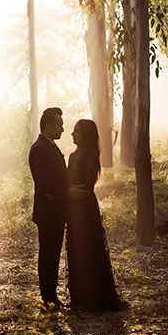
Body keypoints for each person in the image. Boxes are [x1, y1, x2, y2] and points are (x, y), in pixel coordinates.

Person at [65, 119, 128, 312]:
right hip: (72, 208)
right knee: (75, 249)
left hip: (84, 209)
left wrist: (70, 190)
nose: (72, 135)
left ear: (86, 135)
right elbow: (66, 181)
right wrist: (67, 190)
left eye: (76, 132)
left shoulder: (90, 156)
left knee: (88, 249)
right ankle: (79, 297)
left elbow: (86, 186)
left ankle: (93, 297)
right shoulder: (72, 156)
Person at [28, 107, 68, 309]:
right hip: (48, 212)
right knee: (48, 256)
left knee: (52, 255)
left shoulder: (49, 145)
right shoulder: (40, 148)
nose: (62, 128)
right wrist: (67, 192)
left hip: (55, 210)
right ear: (48, 126)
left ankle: (52, 297)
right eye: (59, 125)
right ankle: (48, 299)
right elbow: (43, 183)